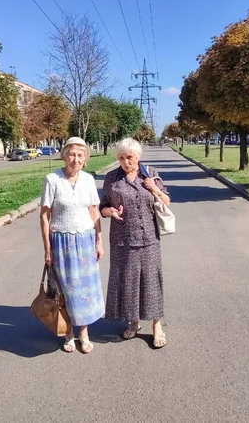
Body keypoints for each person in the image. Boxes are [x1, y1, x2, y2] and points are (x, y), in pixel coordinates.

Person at [99, 137, 171, 348]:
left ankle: (157, 325)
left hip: (149, 238)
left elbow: (166, 201)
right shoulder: (112, 178)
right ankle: (133, 322)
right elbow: (103, 206)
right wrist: (109, 212)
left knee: (151, 280)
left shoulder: (150, 173)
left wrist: (154, 189)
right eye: (121, 158)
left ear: (137, 157)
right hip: (122, 239)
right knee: (129, 282)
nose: (125, 162)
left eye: (129, 157)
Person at [39, 137, 105, 353]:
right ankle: (67, 332)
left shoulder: (87, 179)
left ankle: (84, 333)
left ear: (85, 158)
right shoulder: (52, 179)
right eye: (72, 154)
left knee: (83, 290)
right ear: (64, 155)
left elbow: (94, 212)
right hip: (62, 242)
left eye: (80, 155)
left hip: (85, 240)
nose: (75, 159)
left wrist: (99, 240)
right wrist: (47, 249)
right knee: (65, 289)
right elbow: (44, 216)